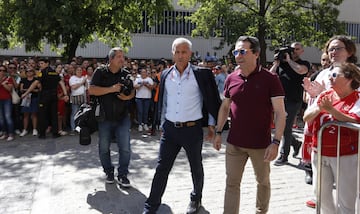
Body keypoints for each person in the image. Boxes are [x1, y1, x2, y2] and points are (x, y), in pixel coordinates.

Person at [143, 37, 221, 214]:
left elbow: (210, 100)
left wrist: (211, 125)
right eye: (177, 52)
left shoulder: (201, 74)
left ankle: (196, 199)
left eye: (184, 52)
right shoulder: (165, 75)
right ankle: (151, 206)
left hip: (192, 130)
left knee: (196, 167)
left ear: (190, 54)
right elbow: (164, 101)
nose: (180, 55)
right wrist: (162, 123)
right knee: (161, 169)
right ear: (172, 54)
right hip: (170, 130)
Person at [213, 36, 286, 214]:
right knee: (231, 183)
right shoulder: (231, 78)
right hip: (234, 143)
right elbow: (225, 107)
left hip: (261, 145)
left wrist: (276, 143)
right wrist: (218, 132)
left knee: (262, 182)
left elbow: (280, 113)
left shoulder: (271, 79)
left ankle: (261, 211)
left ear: (256, 54)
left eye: (243, 51)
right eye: (236, 51)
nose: (238, 55)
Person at [302, 35, 358, 209]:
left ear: (349, 51)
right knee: (321, 196)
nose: (333, 52)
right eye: (330, 49)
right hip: (320, 145)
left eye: (338, 48)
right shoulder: (324, 74)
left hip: (346, 149)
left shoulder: (355, 75)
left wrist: (330, 108)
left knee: (346, 198)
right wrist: (316, 98)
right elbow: (312, 103)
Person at [88, 47, 135, 186]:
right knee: (103, 148)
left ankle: (123, 174)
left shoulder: (126, 73)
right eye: (119, 56)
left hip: (122, 117)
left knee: (125, 148)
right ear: (111, 59)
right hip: (104, 118)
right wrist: (112, 89)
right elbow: (91, 90)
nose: (122, 59)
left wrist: (128, 97)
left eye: (123, 56)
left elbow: (132, 91)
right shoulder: (100, 72)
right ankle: (109, 172)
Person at [270, 42, 310, 165]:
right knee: (280, 127)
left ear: (301, 51)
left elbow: (300, 71)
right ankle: (295, 143)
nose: (293, 51)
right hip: (280, 100)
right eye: (292, 49)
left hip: (294, 100)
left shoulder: (304, 63)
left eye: (297, 49)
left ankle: (283, 155)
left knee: (286, 128)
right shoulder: (282, 64)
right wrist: (276, 64)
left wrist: (289, 60)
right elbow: (270, 76)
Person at [21, 58, 69, 139]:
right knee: (54, 114)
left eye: (42, 63)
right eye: (40, 63)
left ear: (47, 63)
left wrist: (26, 93)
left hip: (44, 96)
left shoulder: (42, 73)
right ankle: (55, 133)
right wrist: (65, 94)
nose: (40, 65)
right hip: (53, 96)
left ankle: (42, 134)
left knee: (43, 115)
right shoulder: (54, 72)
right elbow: (61, 83)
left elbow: (35, 83)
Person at [19, 68, 40, 137]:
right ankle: (25, 129)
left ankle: (35, 129)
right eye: (27, 71)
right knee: (26, 115)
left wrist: (30, 90)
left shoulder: (36, 80)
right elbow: (21, 89)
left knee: (34, 114)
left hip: (34, 98)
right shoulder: (23, 80)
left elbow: (39, 90)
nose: (29, 72)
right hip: (26, 99)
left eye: (31, 71)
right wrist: (30, 90)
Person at [133, 67, 154, 132]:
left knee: (146, 112)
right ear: (141, 73)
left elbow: (152, 87)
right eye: (142, 72)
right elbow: (135, 87)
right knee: (140, 111)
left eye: (145, 72)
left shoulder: (149, 79)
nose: (143, 73)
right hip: (139, 98)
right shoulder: (137, 79)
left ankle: (145, 124)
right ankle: (140, 124)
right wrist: (142, 84)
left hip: (147, 98)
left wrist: (146, 85)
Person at [0, 65, 16, 141]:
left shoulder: (8, 79)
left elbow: (9, 89)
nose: (2, 72)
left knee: (8, 117)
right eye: (0, 70)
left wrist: (4, 84)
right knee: (1, 118)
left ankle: (11, 134)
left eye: (3, 70)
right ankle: (4, 132)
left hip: (7, 100)